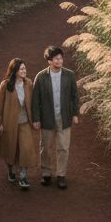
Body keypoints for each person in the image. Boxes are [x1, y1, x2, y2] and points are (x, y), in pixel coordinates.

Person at [31, 45, 80, 189]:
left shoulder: (69, 75)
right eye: (56, 59)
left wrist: (75, 114)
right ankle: (46, 174)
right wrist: (36, 119)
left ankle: (61, 175)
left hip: (64, 117)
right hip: (47, 118)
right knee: (45, 147)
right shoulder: (41, 77)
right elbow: (35, 100)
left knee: (63, 147)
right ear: (49, 61)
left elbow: (74, 96)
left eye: (61, 58)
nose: (59, 61)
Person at [0, 57, 37, 190]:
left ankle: (23, 176)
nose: (24, 70)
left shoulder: (28, 83)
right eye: (21, 68)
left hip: (24, 122)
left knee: (26, 149)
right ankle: (11, 170)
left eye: (25, 68)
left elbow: (33, 103)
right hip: (9, 122)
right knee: (10, 149)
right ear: (14, 70)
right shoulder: (5, 85)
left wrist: (36, 119)